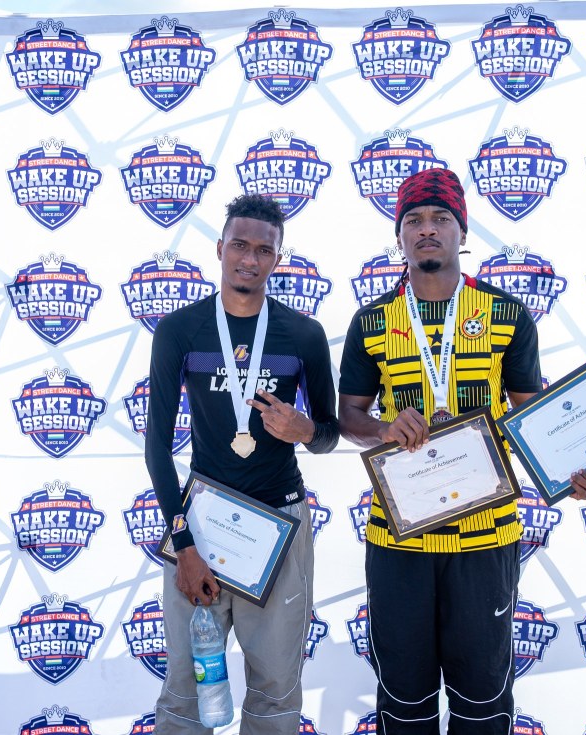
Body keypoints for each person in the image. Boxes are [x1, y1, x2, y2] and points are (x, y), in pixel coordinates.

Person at [338, 168, 586, 735]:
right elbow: (348, 417)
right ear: (398, 236)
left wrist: (572, 473)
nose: (427, 229)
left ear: (462, 232)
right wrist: (385, 428)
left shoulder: (507, 315)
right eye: (414, 220)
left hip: (486, 535)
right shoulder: (371, 322)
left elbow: (535, 419)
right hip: (399, 537)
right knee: (403, 700)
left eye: (441, 218)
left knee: (482, 700)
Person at [145, 194, 339, 734]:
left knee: (276, 690)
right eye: (239, 246)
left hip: (279, 524)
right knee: (185, 690)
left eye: (263, 250)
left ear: (278, 257)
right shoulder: (181, 330)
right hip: (202, 528)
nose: (249, 259)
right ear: (219, 248)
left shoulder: (303, 335)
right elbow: (156, 448)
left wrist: (305, 430)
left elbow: (328, 435)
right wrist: (184, 546)